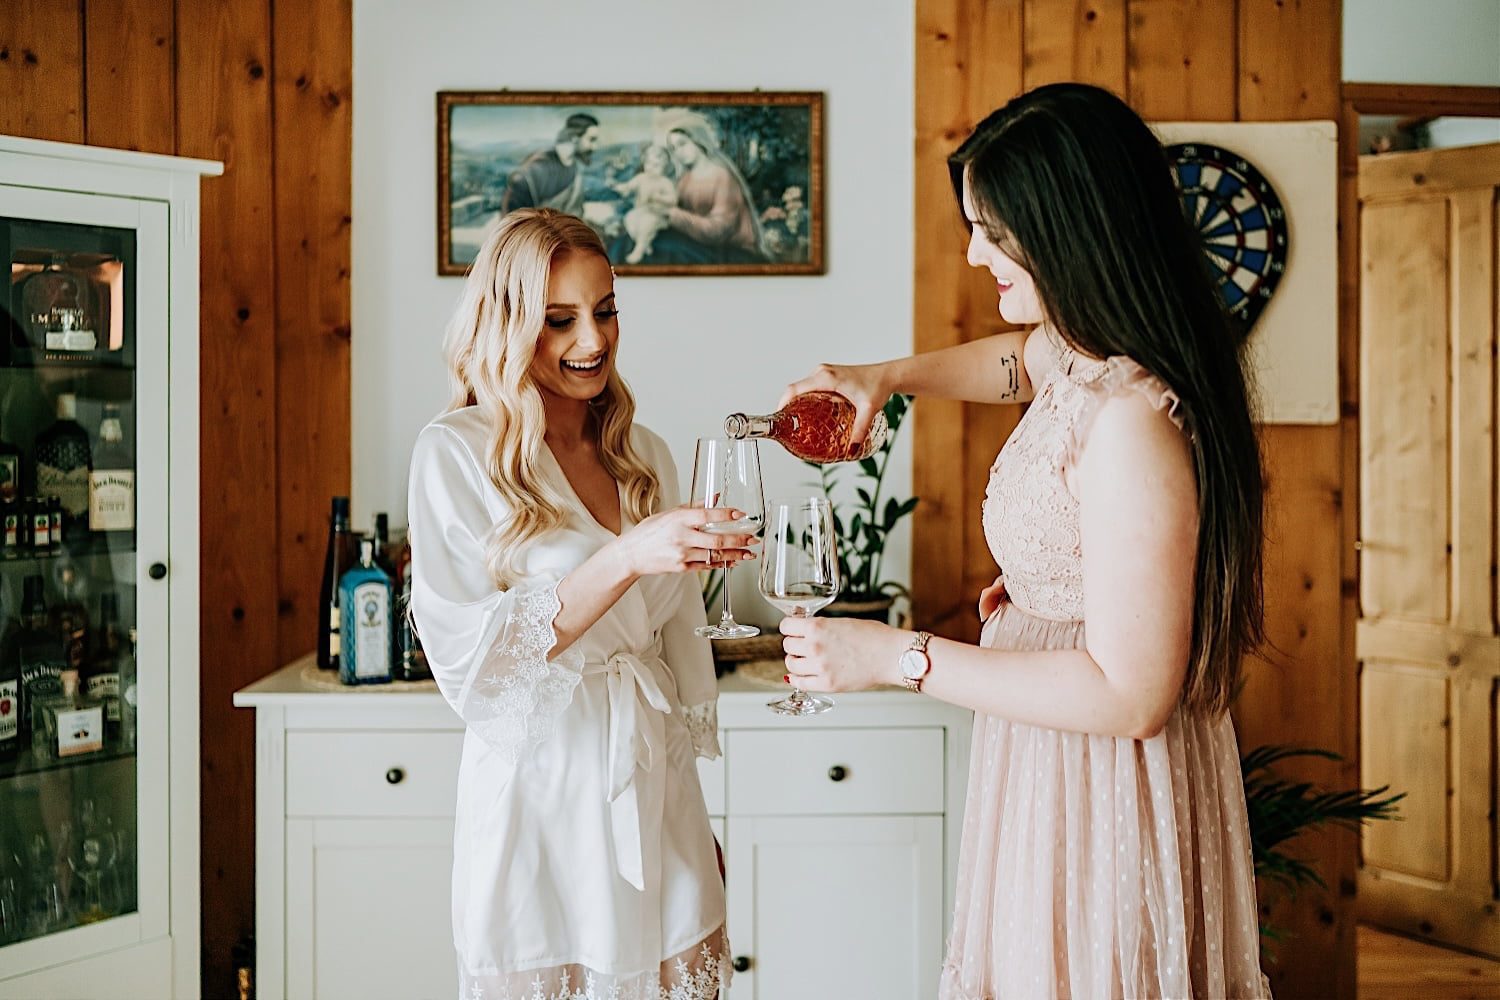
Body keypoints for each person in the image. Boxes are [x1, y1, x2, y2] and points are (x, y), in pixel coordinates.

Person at [777, 83, 1272, 999]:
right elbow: (1014, 366)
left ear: (1069, 231)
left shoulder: (1131, 420)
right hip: (1049, 761)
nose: (973, 254)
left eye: (992, 232)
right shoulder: (1081, 351)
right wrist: (885, 375)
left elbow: (1130, 695)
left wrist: (896, 657)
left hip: (1105, 785)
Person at [408, 208, 752, 999]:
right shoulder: (455, 454)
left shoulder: (644, 453)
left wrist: (696, 816)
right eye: (559, 320)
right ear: (508, 324)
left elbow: (676, 636)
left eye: (606, 309)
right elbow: (479, 672)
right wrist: (627, 557)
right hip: (540, 807)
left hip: (656, 794)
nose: (593, 340)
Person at [640, 109, 766, 264]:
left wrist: (672, 214)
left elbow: (719, 231)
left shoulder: (722, 177)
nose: (678, 152)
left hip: (731, 251)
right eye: (673, 148)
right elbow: (674, 207)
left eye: (682, 144)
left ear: (698, 140)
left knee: (665, 248)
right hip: (701, 245)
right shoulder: (685, 179)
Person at [499, 113, 600, 216]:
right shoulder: (538, 168)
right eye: (591, 140)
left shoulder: (575, 167)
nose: (595, 147)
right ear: (574, 138)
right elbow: (512, 216)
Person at [610, 143, 678, 264]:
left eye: (656, 165)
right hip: (640, 211)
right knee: (629, 219)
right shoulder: (641, 178)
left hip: (658, 214)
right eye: (648, 163)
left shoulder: (665, 182)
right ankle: (644, 242)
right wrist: (621, 187)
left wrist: (660, 198)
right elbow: (629, 186)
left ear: (665, 167)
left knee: (647, 223)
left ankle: (639, 250)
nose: (651, 168)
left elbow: (673, 200)